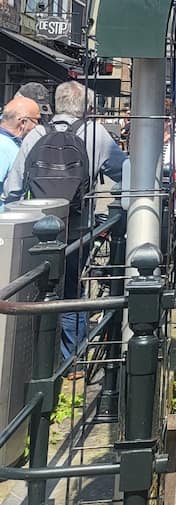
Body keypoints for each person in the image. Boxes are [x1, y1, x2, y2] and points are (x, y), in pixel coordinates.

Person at [6, 81, 125, 363]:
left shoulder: (35, 133)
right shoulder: (95, 133)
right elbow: (124, 171)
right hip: (77, 227)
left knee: (35, 286)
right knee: (72, 290)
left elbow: (13, 188)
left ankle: (35, 358)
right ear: (86, 108)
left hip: (37, 229)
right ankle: (72, 360)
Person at [0, 96, 42, 194]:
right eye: (37, 121)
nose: (38, 126)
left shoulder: (10, 143)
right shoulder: (3, 146)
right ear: (23, 122)